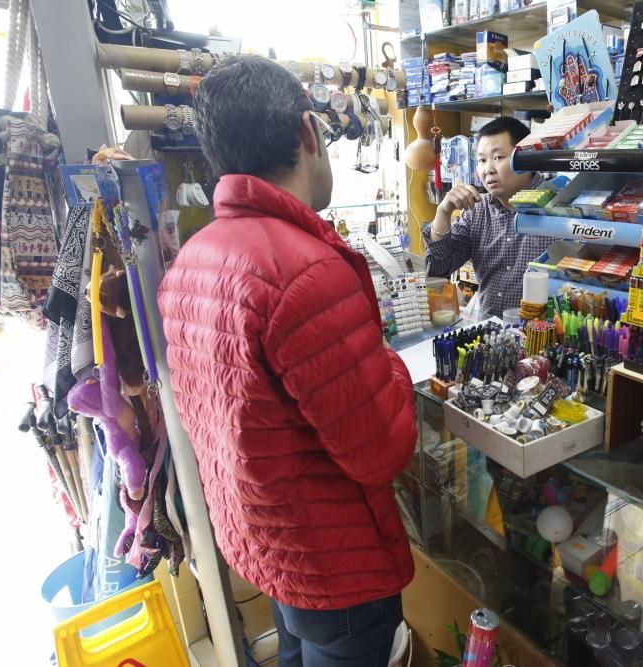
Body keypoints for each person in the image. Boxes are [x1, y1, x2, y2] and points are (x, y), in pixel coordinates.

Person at [157, 55, 417, 667]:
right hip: (337, 569)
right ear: (308, 132)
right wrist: (392, 367)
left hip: (266, 543)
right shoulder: (307, 270)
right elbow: (382, 448)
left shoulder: (194, 258)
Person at [423, 116, 557, 318]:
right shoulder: (476, 210)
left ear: (526, 157)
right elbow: (439, 269)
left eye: (498, 158)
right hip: (489, 335)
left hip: (543, 336)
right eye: (482, 160)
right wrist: (443, 211)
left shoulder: (558, 208)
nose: (488, 170)